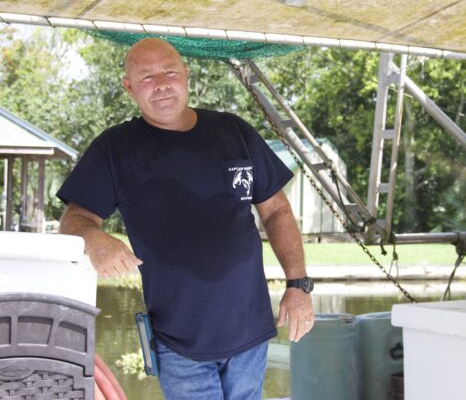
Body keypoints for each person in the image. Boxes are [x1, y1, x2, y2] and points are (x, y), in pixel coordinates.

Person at [58, 38, 314, 400]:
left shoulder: (235, 132)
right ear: (128, 87)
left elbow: (276, 210)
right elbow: (74, 220)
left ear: (186, 75)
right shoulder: (114, 150)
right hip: (179, 341)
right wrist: (94, 240)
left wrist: (298, 285)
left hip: (249, 332)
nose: (161, 83)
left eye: (169, 72)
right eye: (146, 77)